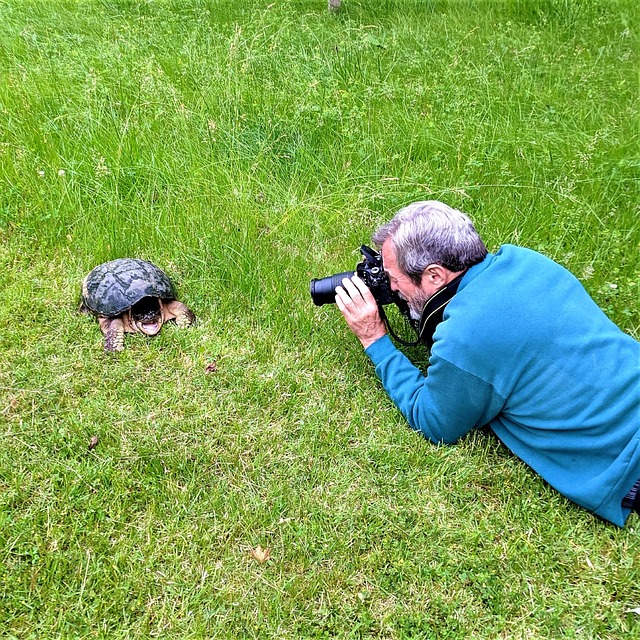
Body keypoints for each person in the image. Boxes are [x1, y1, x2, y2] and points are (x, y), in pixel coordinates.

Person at [334, 200, 640, 527]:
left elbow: (433, 421)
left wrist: (375, 339)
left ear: (434, 275)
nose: (391, 287)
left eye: (394, 278)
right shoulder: (526, 260)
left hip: (627, 463)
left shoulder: (466, 336)